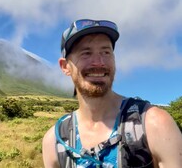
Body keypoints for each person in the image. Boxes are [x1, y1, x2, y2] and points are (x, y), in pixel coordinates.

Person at [42, 19, 182, 168]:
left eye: (106, 52)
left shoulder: (154, 124)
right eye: (86, 53)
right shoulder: (55, 141)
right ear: (65, 67)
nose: (98, 62)